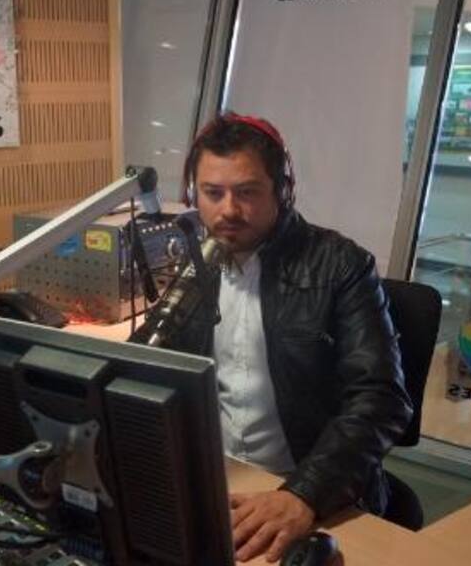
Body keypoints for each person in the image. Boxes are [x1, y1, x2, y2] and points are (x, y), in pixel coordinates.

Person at [173, 112, 413, 563]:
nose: (228, 210)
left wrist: (303, 494)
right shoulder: (196, 263)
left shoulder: (341, 265)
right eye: (212, 193)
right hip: (221, 478)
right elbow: (156, 368)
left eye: (247, 192)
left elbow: (382, 399)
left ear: (282, 190)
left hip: (308, 485)